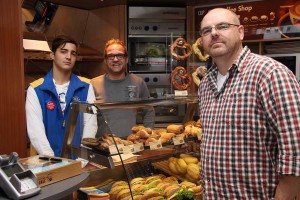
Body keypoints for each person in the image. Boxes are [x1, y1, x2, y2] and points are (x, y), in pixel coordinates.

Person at [198, 8, 300, 199]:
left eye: (223, 26)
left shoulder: (270, 73)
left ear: (241, 32)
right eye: (206, 30)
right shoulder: (205, 84)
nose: (213, 33)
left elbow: (295, 151)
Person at [26, 35, 97, 157]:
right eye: (63, 52)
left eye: (73, 53)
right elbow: (36, 131)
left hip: (79, 160)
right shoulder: (36, 89)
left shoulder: (86, 86)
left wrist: (83, 157)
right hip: (48, 161)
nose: (68, 57)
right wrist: (52, 160)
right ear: (52, 55)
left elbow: (90, 125)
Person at [91, 39, 155, 138]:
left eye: (120, 55)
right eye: (111, 56)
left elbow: (149, 111)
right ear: (105, 60)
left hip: (132, 145)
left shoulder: (138, 82)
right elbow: (87, 118)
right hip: (103, 146)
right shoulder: (94, 84)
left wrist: (146, 136)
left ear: (126, 59)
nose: (115, 59)